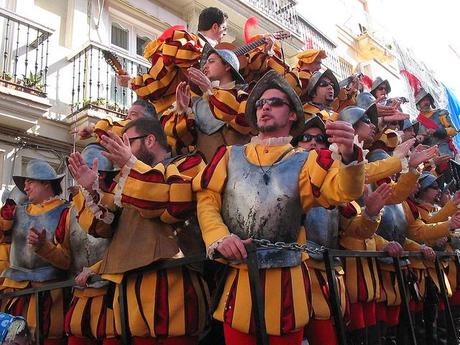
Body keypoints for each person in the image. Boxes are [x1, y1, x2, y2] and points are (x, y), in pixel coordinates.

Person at [194, 70, 366, 344]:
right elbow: (207, 199)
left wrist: (349, 157)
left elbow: (344, 190)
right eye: (261, 103)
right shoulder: (229, 155)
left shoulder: (306, 162)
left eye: (275, 103)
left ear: (293, 115)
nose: (265, 107)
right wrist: (218, 237)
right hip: (238, 283)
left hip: (288, 287)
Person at [68, 117, 209, 345]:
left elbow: (173, 207)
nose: (122, 149)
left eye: (128, 142)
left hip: (173, 278)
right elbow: (103, 228)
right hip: (129, 284)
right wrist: (90, 191)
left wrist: (132, 164)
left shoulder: (188, 163)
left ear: (150, 140)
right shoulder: (126, 179)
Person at [0, 160, 72, 345]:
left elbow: (67, 260)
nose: (25, 186)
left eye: (30, 181)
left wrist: (43, 246)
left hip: (48, 289)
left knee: (46, 336)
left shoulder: (66, 212)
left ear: (46, 183)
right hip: (14, 288)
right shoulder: (14, 211)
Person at [161, 44, 255, 160]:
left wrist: (210, 90)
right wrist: (182, 110)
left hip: (234, 170)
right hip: (204, 172)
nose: (205, 66)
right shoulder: (198, 104)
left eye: (211, 61)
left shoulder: (243, 96)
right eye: (205, 63)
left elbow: (245, 124)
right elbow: (187, 143)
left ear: (227, 66)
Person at [415, 87, 458, 158]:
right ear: (418, 104)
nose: (426, 102)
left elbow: (453, 131)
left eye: (427, 100)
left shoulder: (441, 114)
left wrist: (436, 131)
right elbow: (417, 143)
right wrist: (419, 138)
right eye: (422, 101)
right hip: (429, 156)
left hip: (445, 150)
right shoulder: (416, 122)